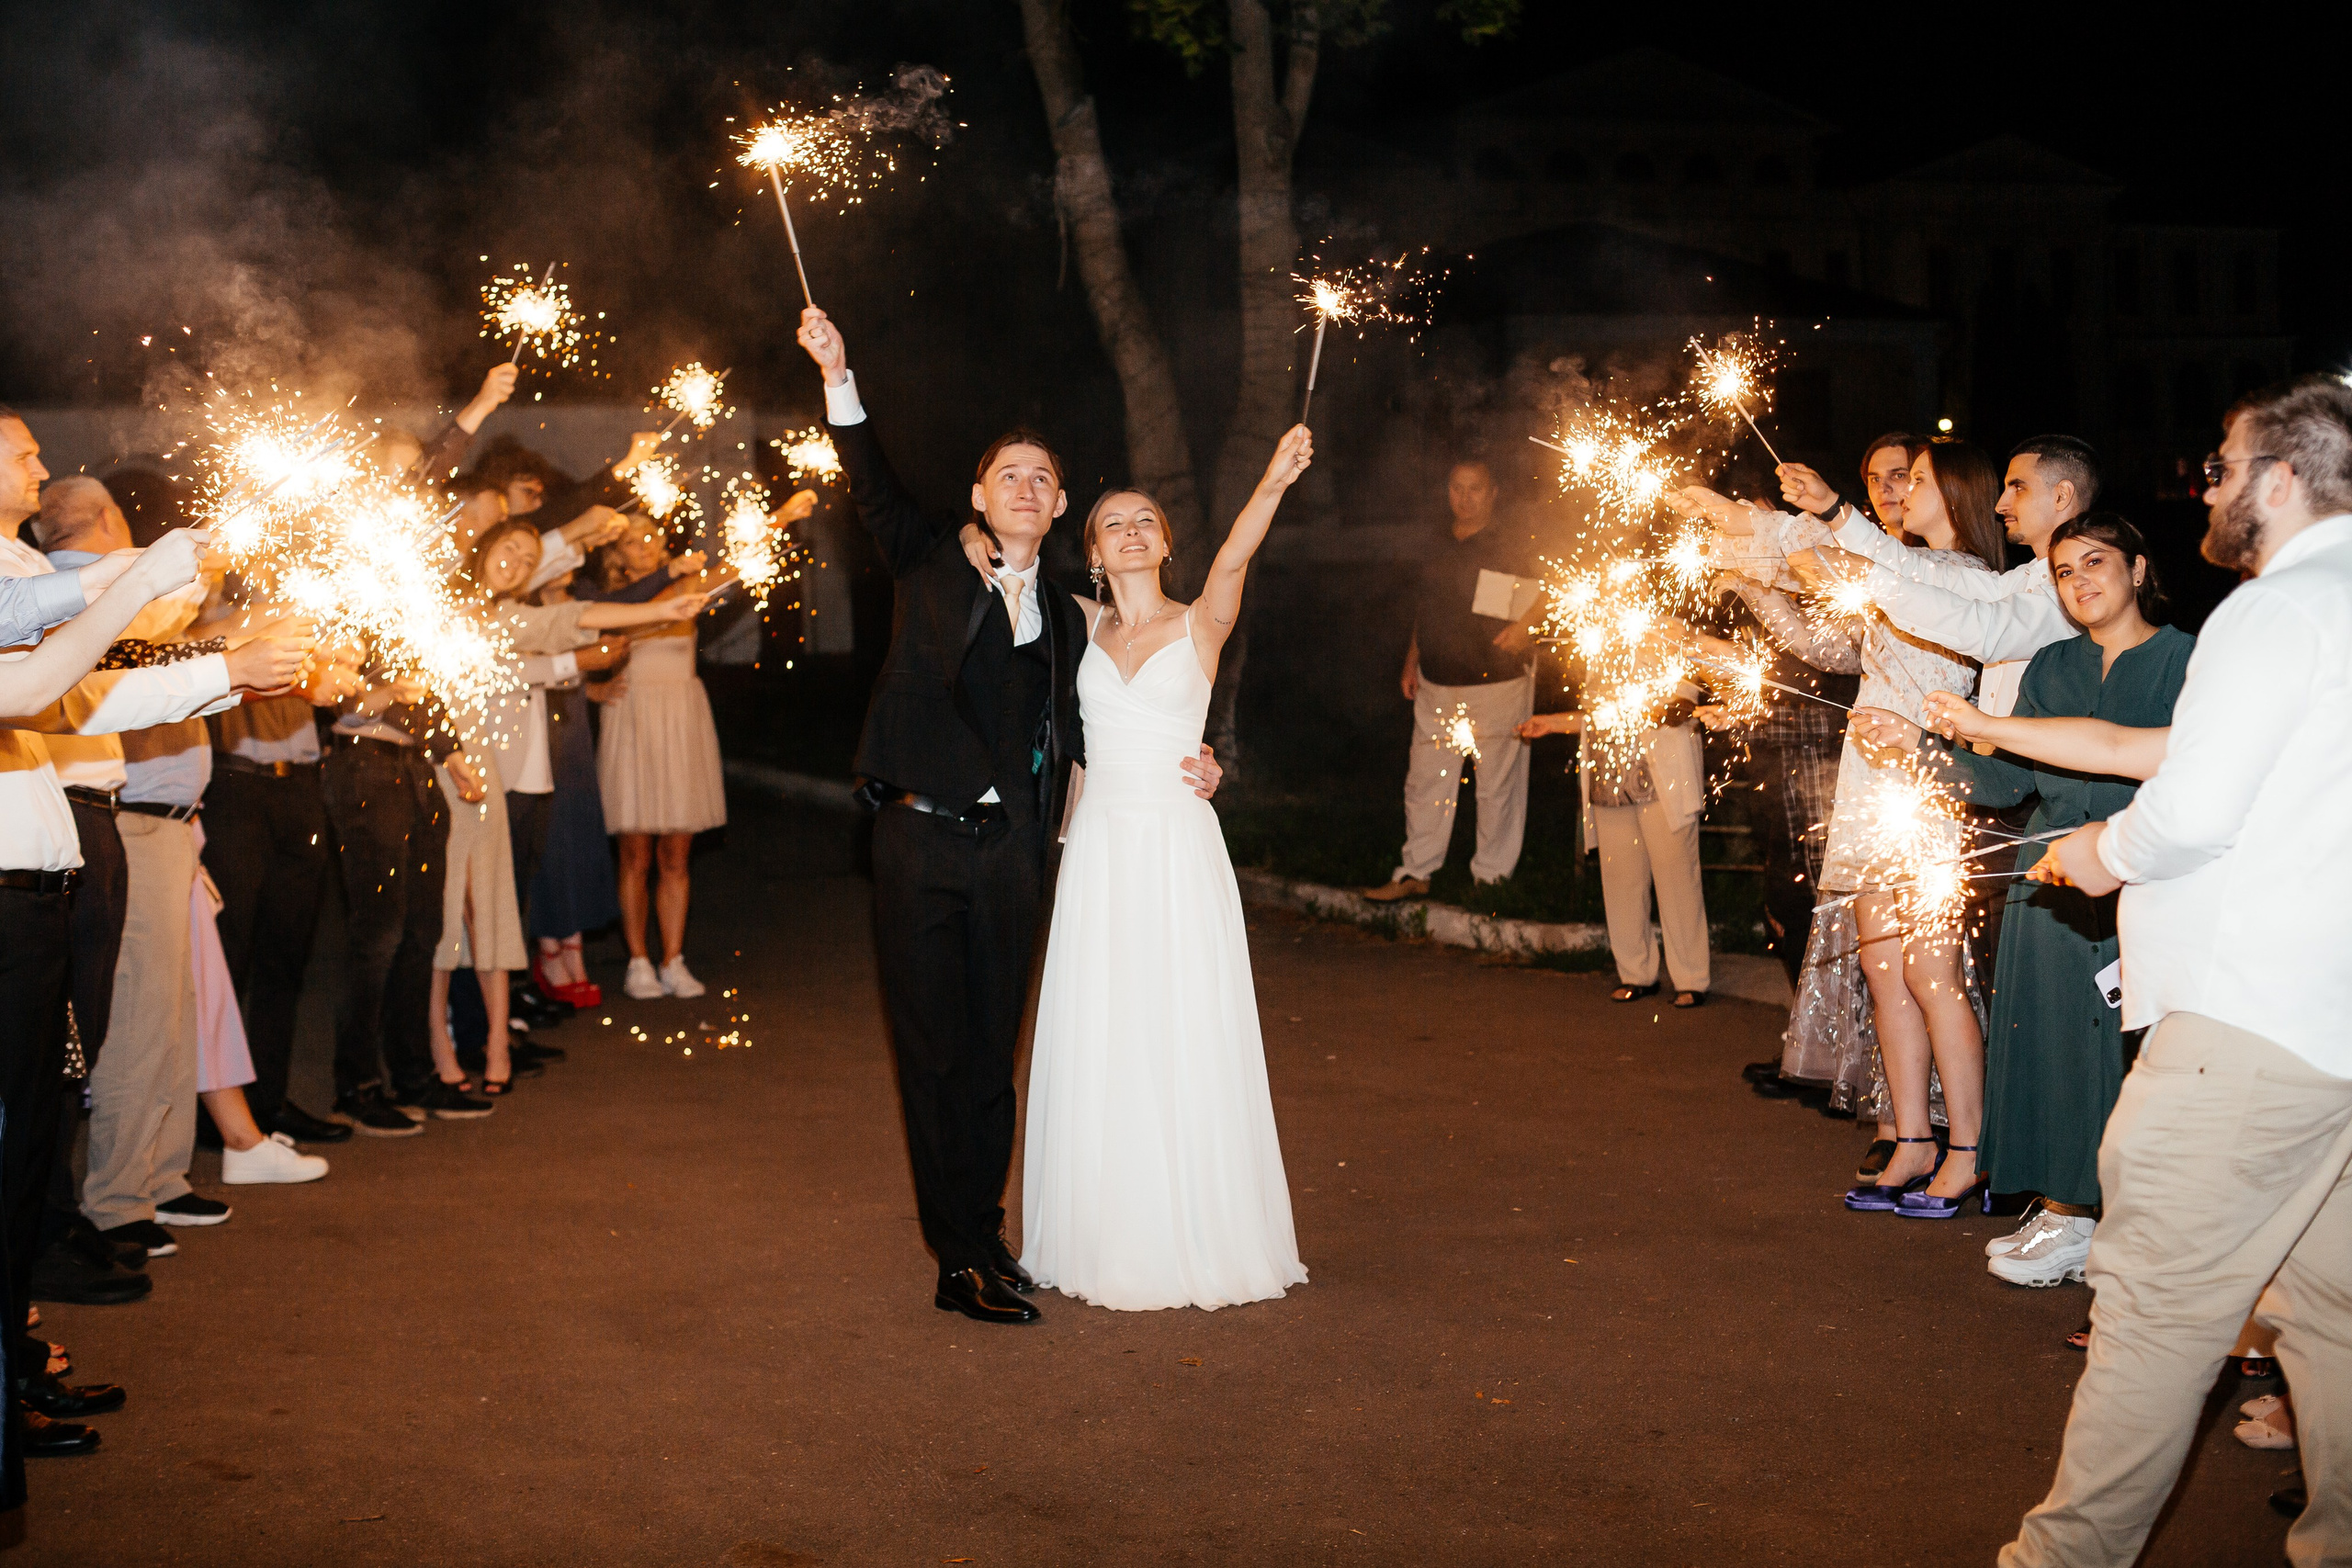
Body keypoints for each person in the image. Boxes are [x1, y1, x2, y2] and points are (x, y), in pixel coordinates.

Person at [794, 302, 1218, 1326]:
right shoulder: (931, 559)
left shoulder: (1079, 621)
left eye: (1042, 477)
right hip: (917, 838)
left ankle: (983, 1235)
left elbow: (1146, 695)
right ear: (978, 497)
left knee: (990, 1059)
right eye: (1007, 475)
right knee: (933, 1054)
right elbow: (871, 481)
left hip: (1015, 855)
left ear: (1058, 503)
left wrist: (1207, 764)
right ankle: (956, 1259)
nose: (1025, 487)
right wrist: (837, 374)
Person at [1997, 378, 2352, 1567]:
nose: (2204, 480)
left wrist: (2100, 851)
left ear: (2284, 478)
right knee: (2336, 1317)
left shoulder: (2277, 604)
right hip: (2339, 1037)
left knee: (2150, 1314)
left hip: (2245, 1023)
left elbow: (2189, 809)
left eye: (2221, 462)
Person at [1012, 432, 1313, 1312]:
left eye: (1147, 521)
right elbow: (996, 566)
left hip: (1178, 842)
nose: (1133, 532)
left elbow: (1239, 552)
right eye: (1114, 524)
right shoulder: (1073, 621)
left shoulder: (1200, 620)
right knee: (1106, 1022)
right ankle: (1104, 1229)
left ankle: (1200, 1228)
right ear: (1094, 551)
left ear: (1166, 541)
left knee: (1180, 1019)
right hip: (1101, 843)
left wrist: (1270, 481)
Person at [1851, 514, 2192, 1283]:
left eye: (2096, 562)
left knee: (2127, 1056)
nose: (2080, 582)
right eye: (2065, 570)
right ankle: (2069, 1213)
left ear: (2138, 569)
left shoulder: (2186, 659)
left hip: (2141, 870)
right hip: (2046, 878)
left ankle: (2130, 1230)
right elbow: (2008, 781)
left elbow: (2181, 775)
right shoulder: (2050, 665)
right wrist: (1918, 747)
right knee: (2053, 1050)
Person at [1709, 441, 2004, 1215]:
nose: (1902, 491)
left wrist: (1770, 527)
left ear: (1959, 494)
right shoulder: (1906, 570)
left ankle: (1968, 1147)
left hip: (1927, 789)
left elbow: (1844, 572)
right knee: (1885, 973)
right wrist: (1753, 587)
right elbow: (1828, 645)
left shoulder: (1964, 579)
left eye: (1921, 480)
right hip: (1872, 791)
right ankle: (1910, 1135)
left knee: (1934, 976)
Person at [1364, 458, 1540, 901]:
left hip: (1497, 682)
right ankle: (1416, 872)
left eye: (1474, 488)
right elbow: (1426, 609)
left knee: (1496, 787)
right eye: (1456, 487)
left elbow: (1554, 588)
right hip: (1437, 680)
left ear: (1493, 491)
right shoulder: (1436, 542)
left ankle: (1491, 880)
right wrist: (1412, 659)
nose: (1463, 497)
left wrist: (1524, 628)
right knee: (1425, 782)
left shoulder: (1510, 541)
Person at [580, 515, 734, 1000]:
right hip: (633, 720)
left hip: (681, 718)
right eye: (631, 540)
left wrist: (780, 518)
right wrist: (594, 690)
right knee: (636, 852)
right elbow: (566, 649)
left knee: (676, 852)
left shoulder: (689, 584)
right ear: (615, 555)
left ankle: (673, 958)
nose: (644, 546)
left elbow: (737, 565)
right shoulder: (610, 602)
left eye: (650, 536)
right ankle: (638, 960)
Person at [1518, 695, 1713, 1008]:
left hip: (1663, 777)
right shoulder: (1600, 653)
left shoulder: (1678, 646)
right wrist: (1555, 722)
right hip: (1609, 778)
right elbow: (1599, 714)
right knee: (1622, 880)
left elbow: (1683, 706)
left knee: (1676, 878)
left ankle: (1691, 978)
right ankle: (1636, 973)